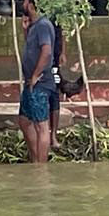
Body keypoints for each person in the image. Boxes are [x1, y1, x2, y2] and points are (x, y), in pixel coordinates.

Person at [19, 0, 55, 164]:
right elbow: (32, 48)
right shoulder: (34, 26)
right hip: (31, 83)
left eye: (25, 1)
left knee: (41, 125)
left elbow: (46, 52)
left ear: (31, 5)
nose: (22, 4)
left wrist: (35, 75)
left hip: (40, 82)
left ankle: (41, 167)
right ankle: (35, 160)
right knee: (24, 120)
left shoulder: (43, 25)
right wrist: (25, 31)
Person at [48, 19, 67, 149]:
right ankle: (44, 135)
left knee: (55, 94)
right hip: (41, 58)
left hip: (55, 55)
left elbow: (63, 31)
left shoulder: (57, 12)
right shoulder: (37, 14)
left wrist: (63, 52)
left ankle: (53, 135)